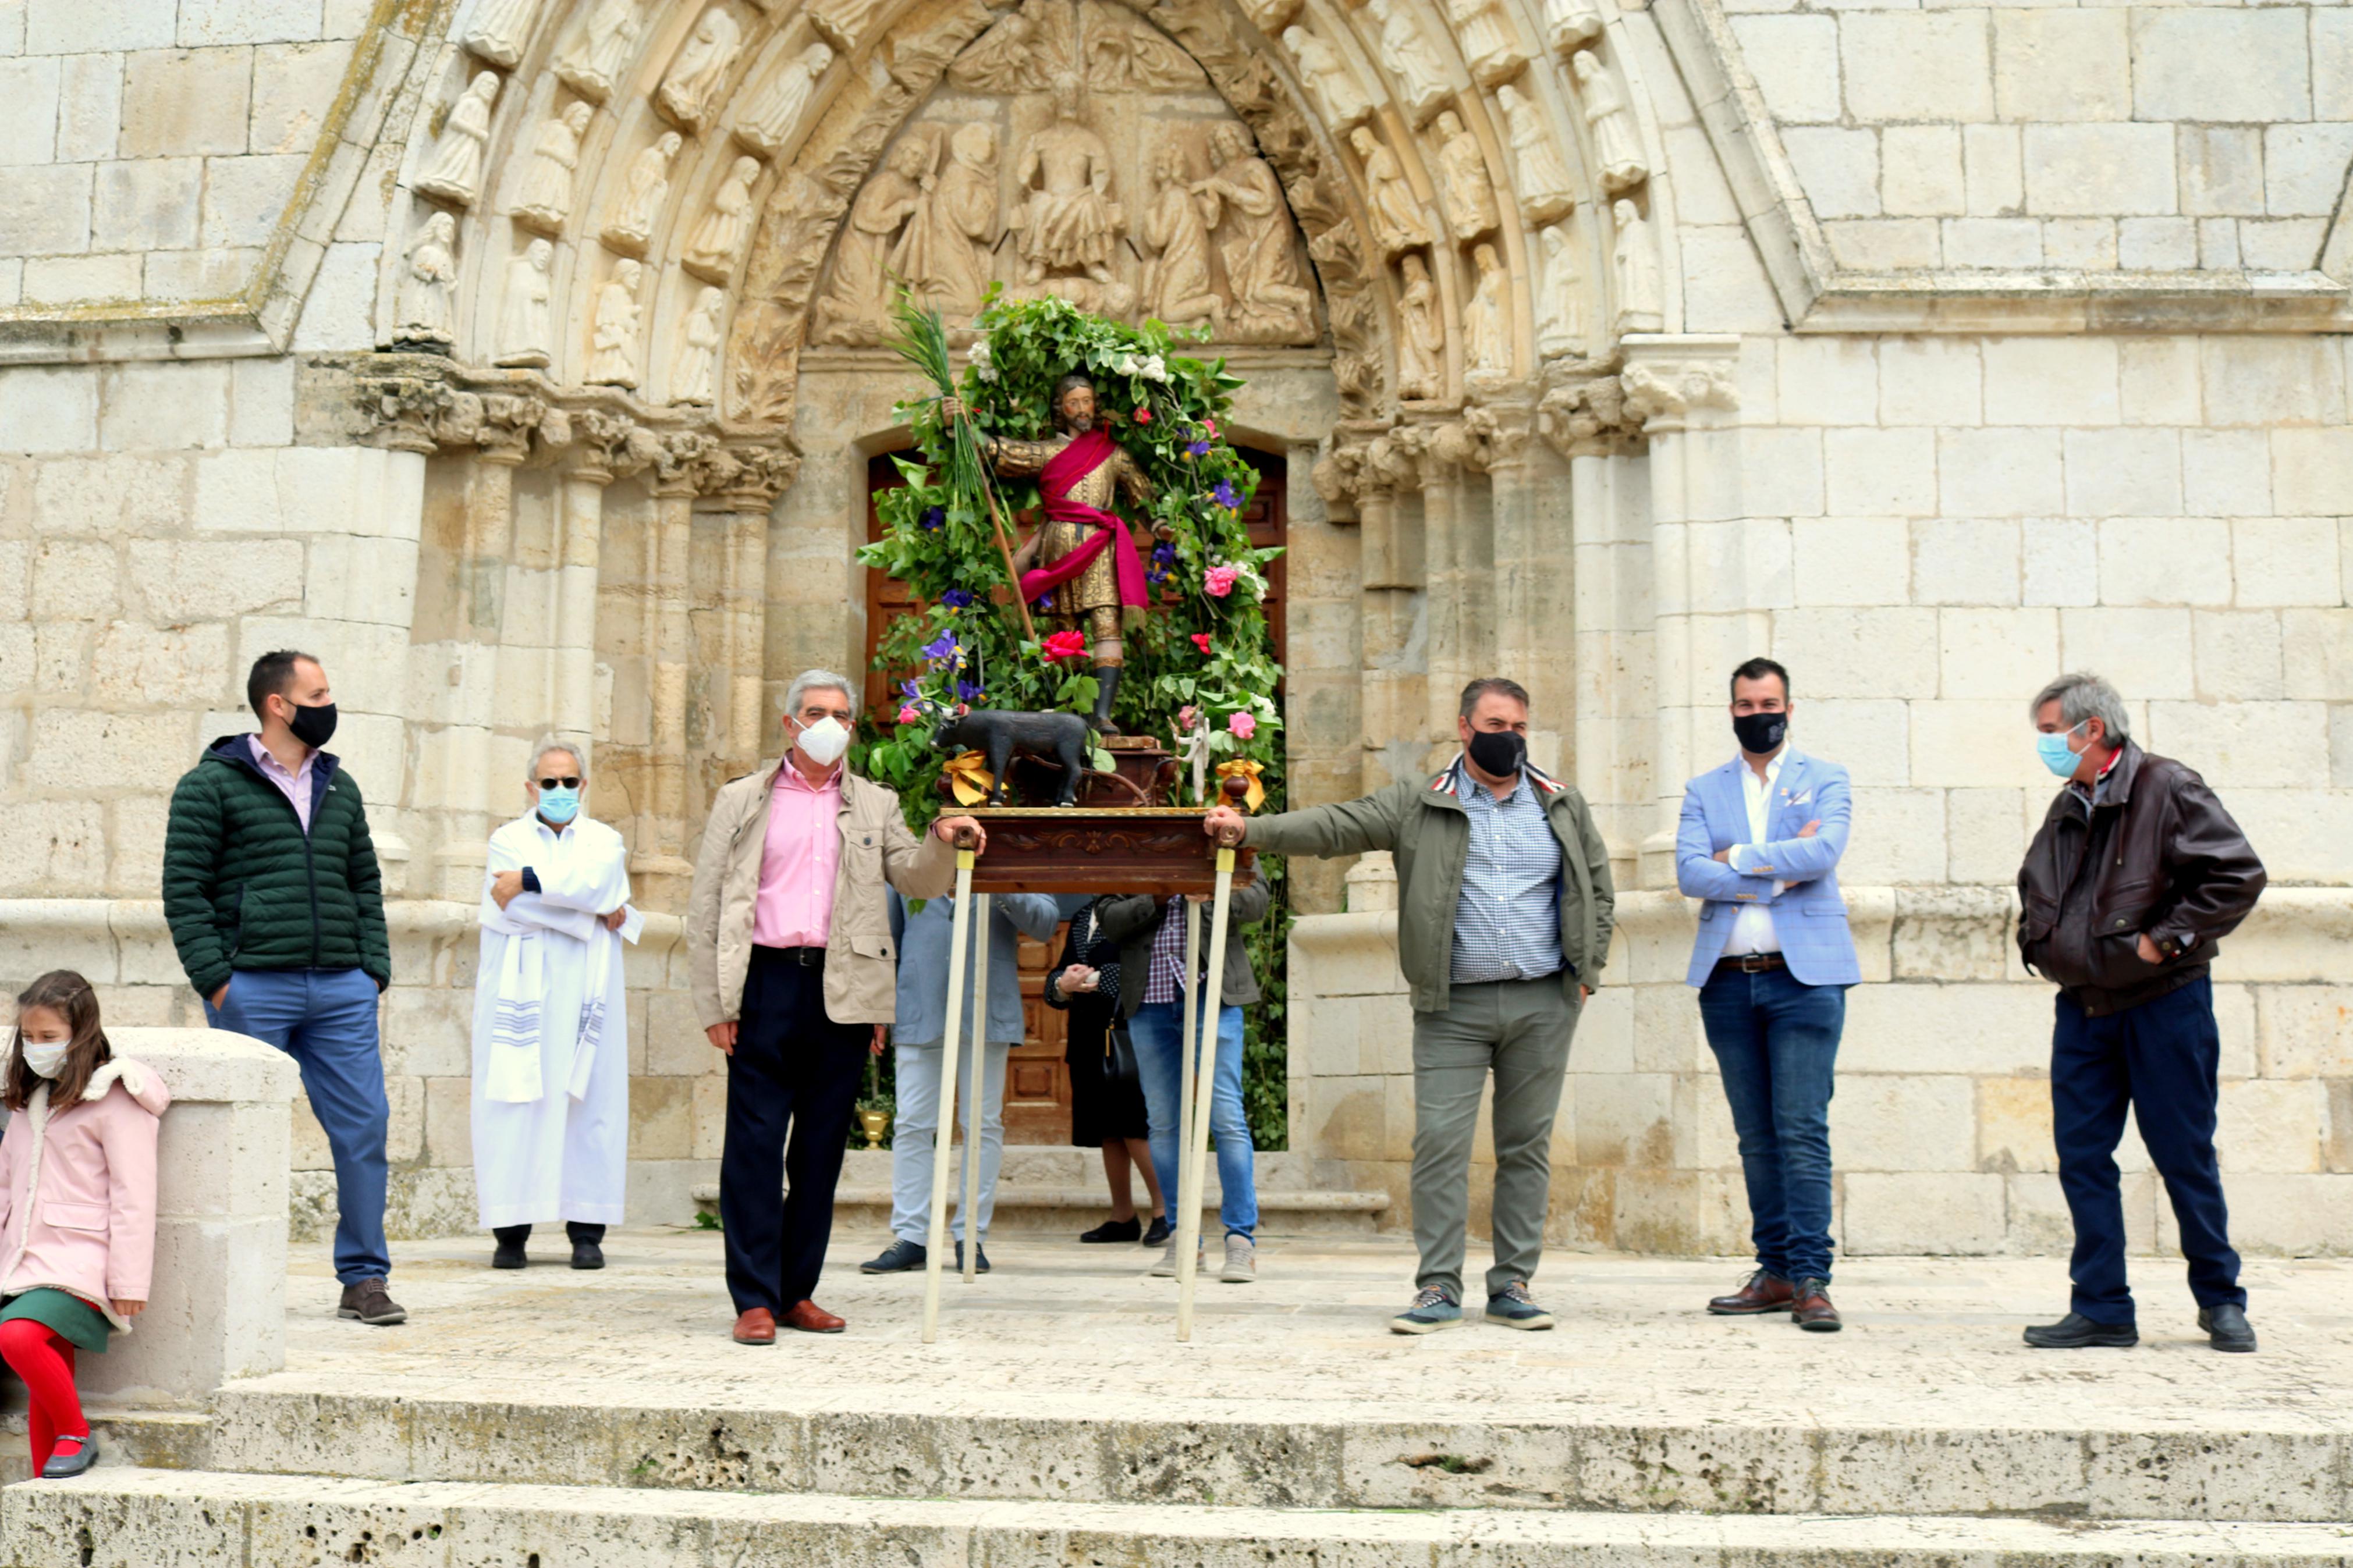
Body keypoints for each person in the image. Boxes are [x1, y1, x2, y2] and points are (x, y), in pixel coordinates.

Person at [1203, 677, 1614, 1335]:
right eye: (1494, 723)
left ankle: (1512, 1281)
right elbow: (1335, 826)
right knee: (1439, 1146)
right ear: (1463, 727)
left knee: (1526, 1146)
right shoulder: (1420, 801)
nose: (1507, 736)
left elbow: (1597, 883)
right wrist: (1249, 827)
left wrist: (1586, 969)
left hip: (1543, 1002)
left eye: (1517, 726)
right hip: (1452, 1006)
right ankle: (1437, 1286)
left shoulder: (1559, 803)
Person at [687, 669, 985, 1345]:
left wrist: (946, 835)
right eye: (817, 712)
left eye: (842, 714)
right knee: (754, 1149)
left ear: (853, 726)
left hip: (844, 990)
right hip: (763, 984)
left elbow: (913, 876)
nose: (830, 723)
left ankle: (798, 1292)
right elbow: (705, 904)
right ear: (790, 723)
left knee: (819, 1154)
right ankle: (754, 1298)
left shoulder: (876, 804)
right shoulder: (740, 800)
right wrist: (713, 1001)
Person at [2018, 673, 2265, 1353]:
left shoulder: (2167, 785)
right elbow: (2040, 888)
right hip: (2083, 1010)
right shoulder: (2066, 803)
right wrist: (2034, 941)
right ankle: (2101, 1307)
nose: (2043, 745)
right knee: (2082, 1158)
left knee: (2183, 1154)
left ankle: (2220, 1300)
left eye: (2048, 731)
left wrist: (2165, 939)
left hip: (2164, 1005)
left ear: (2088, 729)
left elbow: (2236, 873)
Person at [163, 650, 403, 1327]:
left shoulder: (340, 784)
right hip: (253, 989)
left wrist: (371, 970)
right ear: (278, 703)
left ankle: (364, 1278)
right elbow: (184, 890)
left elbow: (364, 882)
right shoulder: (209, 786)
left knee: (365, 1128)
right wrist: (217, 982)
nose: (329, 704)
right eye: (319, 692)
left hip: (341, 990)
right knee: (243, 1138)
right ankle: (239, 1283)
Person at [1674, 658, 1859, 1333]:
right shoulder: (1703, 789)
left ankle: (1812, 1276)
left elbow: (1823, 853)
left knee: (1802, 1130)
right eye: (1747, 704)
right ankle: (1774, 1268)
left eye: (1770, 701)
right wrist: (1775, 864)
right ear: (1731, 711)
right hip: (1726, 982)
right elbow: (1690, 872)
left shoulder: (1824, 779)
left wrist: (1738, 859)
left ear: (1789, 705)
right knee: (1755, 1135)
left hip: (1803, 978)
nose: (1759, 713)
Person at [471, 739, 640, 1271]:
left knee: (589, 1100)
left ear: (583, 786)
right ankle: (511, 1231)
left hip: (589, 986)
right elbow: (510, 912)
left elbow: (602, 884)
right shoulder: (507, 838)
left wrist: (531, 881)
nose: (560, 791)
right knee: (515, 1102)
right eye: (550, 782)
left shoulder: (604, 839)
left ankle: (587, 1231)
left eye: (570, 782)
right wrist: (587, 913)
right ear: (530, 787)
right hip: (521, 987)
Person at [0, 971, 167, 1478]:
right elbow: (6, 1187)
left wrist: (129, 1280)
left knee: (17, 1339)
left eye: (48, 1037)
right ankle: (43, 1482)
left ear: (82, 1031)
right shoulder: (31, 1102)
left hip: (82, 1260)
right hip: (25, 1258)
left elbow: (134, 1194)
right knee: (45, 1369)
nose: (37, 1047)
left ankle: (76, 1433)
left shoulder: (116, 1099)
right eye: (29, 1037)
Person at [860, 887, 1060, 1276]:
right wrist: (875, 1008)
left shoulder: (1008, 862)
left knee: (982, 1124)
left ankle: (971, 1234)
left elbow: (1045, 923)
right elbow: (884, 940)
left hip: (987, 1008)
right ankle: (911, 1235)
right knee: (912, 1123)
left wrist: (995, 882)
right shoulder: (914, 858)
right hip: (918, 1008)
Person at [1096, 880, 1270, 1280]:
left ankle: (1240, 1241)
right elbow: (1108, 918)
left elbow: (1256, 902)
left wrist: (1213, 889)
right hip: (1148, 999)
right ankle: (1182, 1239)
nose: (1145, 810)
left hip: (1214, 995)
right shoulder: (1130, 849)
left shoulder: (1223, 831)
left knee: (1226, 1117)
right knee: (1163, 1123)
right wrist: (1158, 896)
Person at [1045, 897, 1168, 1246]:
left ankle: (1165, 1213)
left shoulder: (1146, 907)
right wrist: (1063, 984)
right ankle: (1123, 1216)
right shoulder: (1085, 914)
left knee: (1135, 1127)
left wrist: (1100, 978)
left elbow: (1149, 964)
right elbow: (1061, 971)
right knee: (1108, 1131)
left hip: (1130, 1033)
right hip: (1086, 1037)